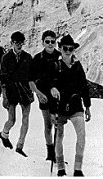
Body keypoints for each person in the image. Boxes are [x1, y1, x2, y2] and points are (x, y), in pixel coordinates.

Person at [50, 34, 91, 177]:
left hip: (75, 105)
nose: (68, 51)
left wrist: (87, 106)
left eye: (70, 49)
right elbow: (49, 84)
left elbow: (84, 86)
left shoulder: (77, 66)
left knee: (82, 136)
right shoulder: (55, 65)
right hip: (59, 107)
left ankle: (78, 169)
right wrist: (52, 89)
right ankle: (61, 167)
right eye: (65, 48)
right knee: (59, 136)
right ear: (60, 48)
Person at [0, 31, 34, 157]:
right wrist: (4, 96)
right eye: (16, 42)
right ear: (12, 43)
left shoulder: (28, 57)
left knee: (25, 119)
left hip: (25, 91)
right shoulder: (6, 58)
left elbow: (32, 76)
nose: (19, 45)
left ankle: (20, 146)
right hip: (11, 91)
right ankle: (4, 134)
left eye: (21, 43)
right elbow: (2, 78)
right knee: (12, 120)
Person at [29, 30, 62, 162]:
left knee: (59, 125)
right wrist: (38, 93)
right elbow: (31, 80)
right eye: (47, 41)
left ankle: (57, 153)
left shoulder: (60, 56)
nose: (50, 44)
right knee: (48, 125)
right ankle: (50, 153)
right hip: (44, 96)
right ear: (43, 42)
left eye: (52, 42)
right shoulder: (37, 58)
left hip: (58, 96)